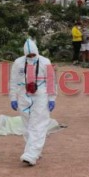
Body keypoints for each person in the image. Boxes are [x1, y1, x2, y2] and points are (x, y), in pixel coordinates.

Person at [9, 38, 56, 166]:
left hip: (41, 95)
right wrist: (13, 98)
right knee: (27, 125)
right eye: (28, 55)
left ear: (37, 52)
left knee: (39, 124)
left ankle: (31, 154)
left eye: (33, 55)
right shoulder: (18, 63)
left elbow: (51, 81)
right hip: (23, 96)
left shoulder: (45, 62)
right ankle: (35, 151)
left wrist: (52, 98)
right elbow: (13, 81)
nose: (31, 57)